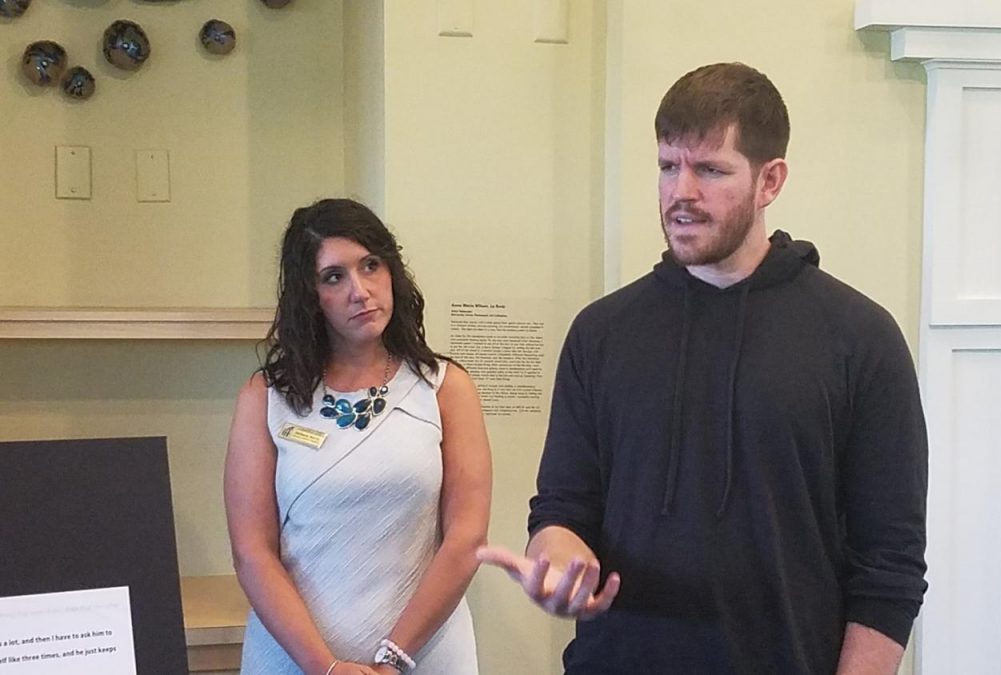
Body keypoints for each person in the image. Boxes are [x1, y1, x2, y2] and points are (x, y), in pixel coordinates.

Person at [478, 62, 928, 674]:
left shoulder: (859, 338)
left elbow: (889, 564)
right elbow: (562, 508)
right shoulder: (601, 332)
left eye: (710, 170)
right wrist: (559, 564)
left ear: (770, 181)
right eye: (668, 165)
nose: (680, 191)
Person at [225, 198, 492, 675]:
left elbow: (466, 537)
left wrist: (393, 657)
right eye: (334, 276)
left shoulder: (445, 387)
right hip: (295, 657)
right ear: (310, 294)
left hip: (423, 653)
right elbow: (253, 553)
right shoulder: (265, 397)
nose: (360, 290)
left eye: (371, 265)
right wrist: (325, 667)